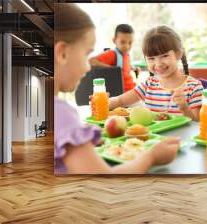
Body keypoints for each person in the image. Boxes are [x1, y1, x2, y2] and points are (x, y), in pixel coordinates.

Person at [54, 4, 180, 174]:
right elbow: (105, 180)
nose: (87, 67)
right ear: (62, 53)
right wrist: (151, 157)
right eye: (86, 54)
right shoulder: (63, 113)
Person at [109, 25, 204, 121]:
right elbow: (119, 100)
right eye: (151, 58)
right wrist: (102, 102)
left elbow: (197, 123)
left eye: (165, 56)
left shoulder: (194, 87)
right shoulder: (148, 84)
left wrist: (184, 108)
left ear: (178, 54)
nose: (158, 64)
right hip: (153, 136)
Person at [89, 24, 139, 92]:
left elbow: (125, 68)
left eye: (130, 43)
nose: (127, 46)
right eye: (123, 42)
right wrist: (112, 69)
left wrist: (134, 68)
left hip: (132, 90)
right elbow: (91, 61)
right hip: (122, 94)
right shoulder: (112, 54)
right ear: (114, 40)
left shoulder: (126, 55)